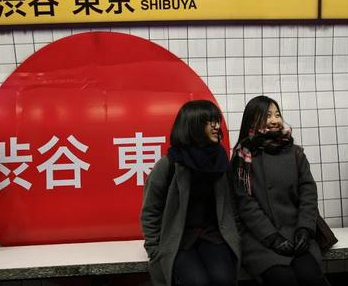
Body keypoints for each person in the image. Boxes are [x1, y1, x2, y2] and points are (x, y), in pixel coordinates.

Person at [230, 95, 330, 286]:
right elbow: (245, 204)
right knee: (283, 279)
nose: (275, 120)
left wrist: (305, 229)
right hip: (260, 239)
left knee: (311, 276)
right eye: (268, 115)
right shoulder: (242, 157)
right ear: (253, 119)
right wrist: (272, 237)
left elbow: (308, 193)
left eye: (277, 114)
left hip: (295, 232)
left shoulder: (295, 153)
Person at [140, 100, 241, 286]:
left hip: (213, 236)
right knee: (197, 282)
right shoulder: (169, 164)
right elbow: (150, 212)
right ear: (193, 125)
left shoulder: (220, 160)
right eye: (209, 121)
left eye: (216, 120)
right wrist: (154, 250)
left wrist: (236, 235)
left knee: (224, 279)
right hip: (179, 240)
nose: (217, 126)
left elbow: (231, 204)